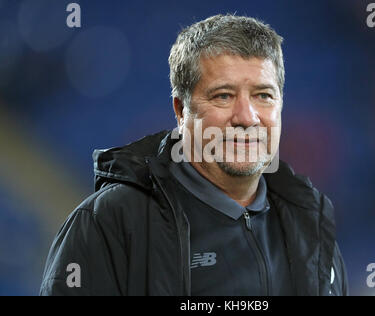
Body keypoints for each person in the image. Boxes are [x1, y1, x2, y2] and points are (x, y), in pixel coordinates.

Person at [40, 14, 348, 296]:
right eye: (224, 96)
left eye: (263, 96)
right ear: (180, 110)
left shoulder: (311, 226)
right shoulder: (109, 223)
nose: (247, 116)